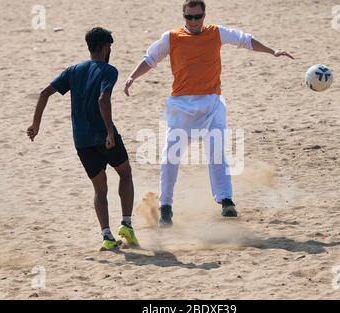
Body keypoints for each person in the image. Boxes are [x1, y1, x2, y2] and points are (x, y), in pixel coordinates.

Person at [125, 0, 294, 228]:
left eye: (198, 16)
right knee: (169, 157)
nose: (193, 21)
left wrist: (272, 50)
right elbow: (150, 59)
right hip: (181, 106)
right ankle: (165, 206)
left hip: (212, 103)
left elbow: (244, 40)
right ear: (183, 16)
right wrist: (132, 77)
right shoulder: (172, 37)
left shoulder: (216, 33)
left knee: (216, 151)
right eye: (189, 17)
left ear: (204, 15)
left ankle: (226, 200)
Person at [27, 27, 139, 250]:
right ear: (106, 47)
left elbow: (44, 93)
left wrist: (36, 124)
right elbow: (103, 99)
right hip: (103, 135)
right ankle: (126, 223)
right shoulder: (109, 70)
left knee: (100, 189)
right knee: (125, 173)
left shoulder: (73, 70)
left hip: (81, 141)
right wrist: (109, 131)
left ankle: (107, 236)